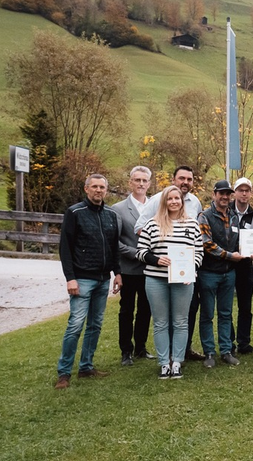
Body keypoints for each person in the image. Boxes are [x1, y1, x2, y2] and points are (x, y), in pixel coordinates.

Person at [55, 174, 123, 389]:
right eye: (94, 186)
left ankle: (86, 366)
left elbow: (114, 247)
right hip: (82, 278)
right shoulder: (75, 213)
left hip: (103, 279)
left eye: (102, 187)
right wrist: (70, 278)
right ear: (86, 189)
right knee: (76, 325)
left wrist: (117, 272)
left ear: (106, 190)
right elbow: (65, 247)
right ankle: (64, 372)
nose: (98, 190)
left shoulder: (111, 214)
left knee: (95, 325)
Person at [134, 165, 204, 361]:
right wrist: (156, 259)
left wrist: (192, 268)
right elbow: (140, 250)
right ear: (164, 201)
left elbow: (198, 251)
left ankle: (178, 359)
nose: (174, 201)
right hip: (157, 279)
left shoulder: (192, 220)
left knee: (181, 322)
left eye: (177, 199)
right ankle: (164, 361)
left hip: (183, 279)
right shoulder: (152, 222)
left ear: (182, 202)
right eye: (170, 199)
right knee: (161, 322)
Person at [111, 166, 153, 366]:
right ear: (130, 182)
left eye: (144, 181)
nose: (141, 184)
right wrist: (137, 253)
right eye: (137, 180)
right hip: (129, 268)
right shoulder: (118, 209)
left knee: (146, 310)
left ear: (149, 184)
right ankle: (126, 350)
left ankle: (141, 347)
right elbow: (115, 242)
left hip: (150, 269)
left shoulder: (155, 206)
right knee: (127, 310)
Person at [197, 180, 242, 368]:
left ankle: (226, 351)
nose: (225, 197)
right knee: (207, 314)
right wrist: (230, 256)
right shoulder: (204, 216)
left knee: (226, 313)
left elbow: (238, 240)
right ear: (214, 194)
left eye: (227, 194)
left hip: (228, 273)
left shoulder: (234, 216)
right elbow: (207, 244)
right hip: (209, 273)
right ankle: (209, 352)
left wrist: (250, 248)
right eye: (221, 193)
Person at [230, 177, 253, 355]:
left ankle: (244, 342)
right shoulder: (226, 211)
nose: (244, 193)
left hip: (246, 265)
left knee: (245, 307)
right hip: (228, 263)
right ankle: (228, 342)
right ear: (235, 193)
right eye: (241, 190)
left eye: (247, 190)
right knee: (226, 307)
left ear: (250, 193)